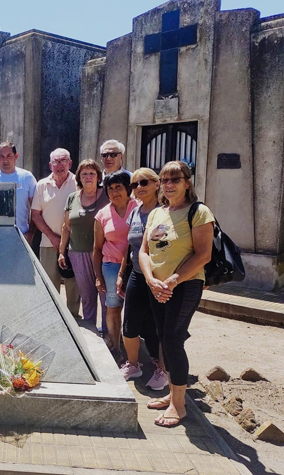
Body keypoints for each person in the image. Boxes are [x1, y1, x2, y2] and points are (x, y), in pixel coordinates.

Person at [139, 161, 214, 427]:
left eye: (175, 179)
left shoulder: (199, 212)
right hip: (157, 285)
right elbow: (144, 252)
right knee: (162, 338)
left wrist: (173, 279)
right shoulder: (157, 213)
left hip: (185, 284)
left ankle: (179, 406)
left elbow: (203, 254)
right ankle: (172, 395)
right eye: (165, 180)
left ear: (187, 182)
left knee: (172, 340)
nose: (169, 184)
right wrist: (150, 279)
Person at [117, 168, 168, 390]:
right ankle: (133, 364)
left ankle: (163, 370)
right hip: (137, 274)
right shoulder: (135, 212)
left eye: (144, 182)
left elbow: (164, 246)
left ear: (157, 184)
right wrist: (121, 273)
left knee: (160, 327)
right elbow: (129, 245)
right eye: (135, 184)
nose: (139, 187)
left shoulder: (165, 212)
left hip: (159, 277)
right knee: (129, 325)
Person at [58, 160, 109, 333]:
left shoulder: (107, 195)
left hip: (104, 253)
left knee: (105, 296)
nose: (88, 177)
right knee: (87, 296)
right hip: (77, 253)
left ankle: (109, 334)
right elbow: (66, 227)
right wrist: (61, 252)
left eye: (92, 173)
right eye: (84, 173)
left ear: (98, 176)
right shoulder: (72, 197)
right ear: (79, 177)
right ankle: (91, 332)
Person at [30, 148, 81, 317]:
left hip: (74, 244)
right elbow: (35, 215)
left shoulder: (79, 183)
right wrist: (52, 237)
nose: (60, 165)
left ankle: (74, 319)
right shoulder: (41, 185)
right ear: (50, 165)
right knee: (50, 285)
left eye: (63, 161)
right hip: (48, 244)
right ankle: (53, 319)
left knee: (73, 285)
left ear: (70, 163)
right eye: (56, 162)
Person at [93, 170, 138, 354]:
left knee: (135, 309)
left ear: (128, 188)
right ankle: (117, 348)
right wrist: (98, 276)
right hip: (111, 266)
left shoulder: (139, 208)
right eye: (110, 188)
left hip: (136, 266)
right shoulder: (102, 215)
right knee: (113, 307)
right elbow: (96, 249)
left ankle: (134, 350)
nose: (114, 192)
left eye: (118, 187)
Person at [0, 142, 37, 241]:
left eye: (9, 156)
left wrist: (30, 233)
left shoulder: (27, 177)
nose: (5, 160)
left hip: (21, 236)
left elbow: (36, 208)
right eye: (1, 156)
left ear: (16, 156)